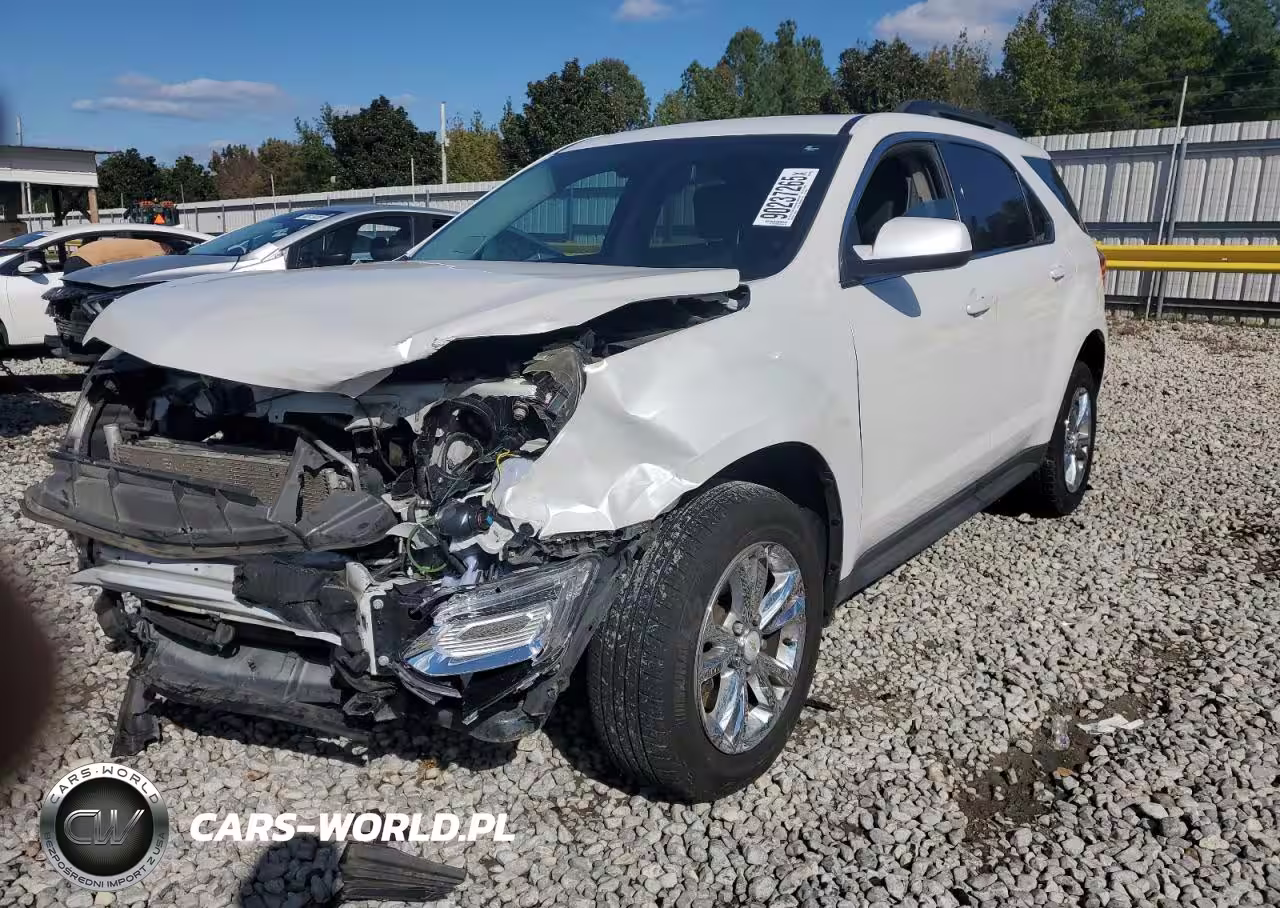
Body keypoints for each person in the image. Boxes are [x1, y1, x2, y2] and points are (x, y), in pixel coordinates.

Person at [63, 236, 172, 273]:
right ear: (167, 249)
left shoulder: (145, 243)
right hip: (85, 262)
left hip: (78, 258)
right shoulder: (156, 250)